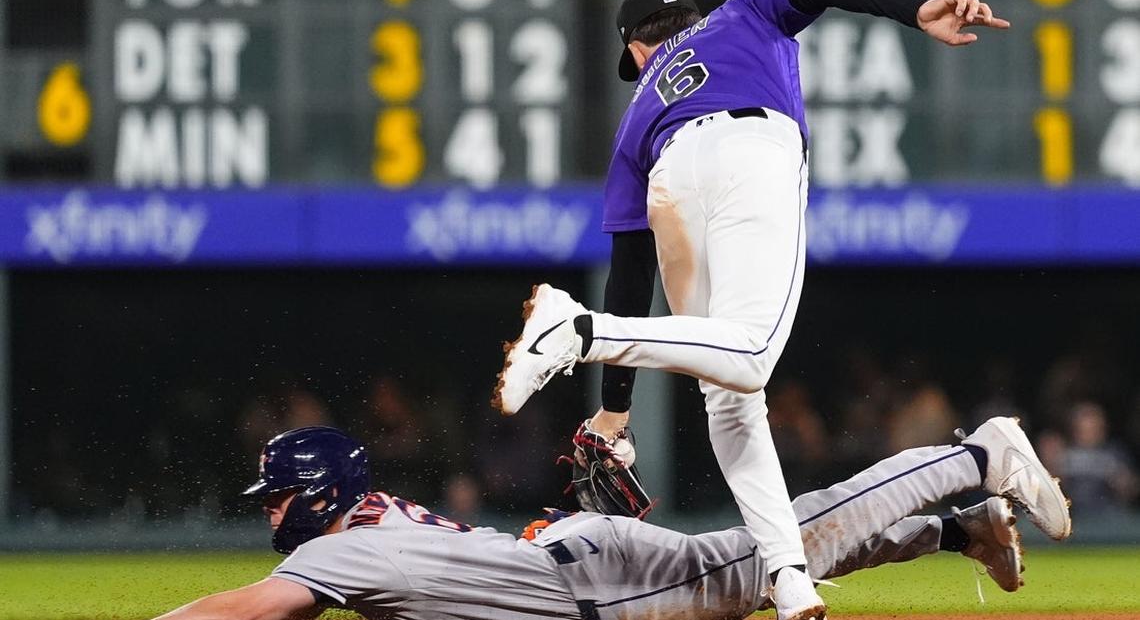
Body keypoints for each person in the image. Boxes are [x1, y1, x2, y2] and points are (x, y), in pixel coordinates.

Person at [493, 0, 1010, 618]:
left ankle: (790, 579)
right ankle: (576, 334)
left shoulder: (636, 115)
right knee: (754, 354)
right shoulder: (742, 11)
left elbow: (630, 273)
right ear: (688, 18)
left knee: (732, 397)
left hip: (669, 177)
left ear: (638, 45)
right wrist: (911, 9)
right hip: (749, 150)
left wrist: (614, 412)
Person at [152, 418, 1069, 620]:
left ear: (314, 492)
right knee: (771, 559)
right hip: (571, 557)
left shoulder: (342, 544)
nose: (270, 509)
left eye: (275, 491)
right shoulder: (366, 530)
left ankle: (975, 455)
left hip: (595, 582)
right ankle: (963, 525)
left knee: (786, 541)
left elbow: (257, 609)